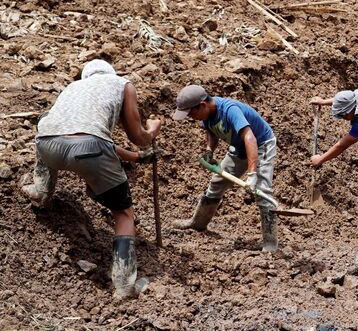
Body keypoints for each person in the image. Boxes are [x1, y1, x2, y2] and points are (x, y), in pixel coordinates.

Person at [21, 59, 162, 299]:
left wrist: (137, 158)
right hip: (91, 150)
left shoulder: (73, 89)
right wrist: (152, 130)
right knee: (124, 214)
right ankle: (125, 286)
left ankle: (42, 191)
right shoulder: (122, 84)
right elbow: (137, 136)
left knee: (49, 128)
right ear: (111, 73)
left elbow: (91, 136)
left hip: (48, 145)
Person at [171, 85, 279, 252]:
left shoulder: (230, 110)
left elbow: (249, 138)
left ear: (203, 105)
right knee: (217, 183)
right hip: (238, 148)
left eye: (191, 113)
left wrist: (252, 174)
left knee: (262, 190)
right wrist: (209, 150)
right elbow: (212, 131)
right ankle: (198, 223)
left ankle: (271, 244)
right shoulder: (206, 115)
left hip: (261, 144)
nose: (191, 117)